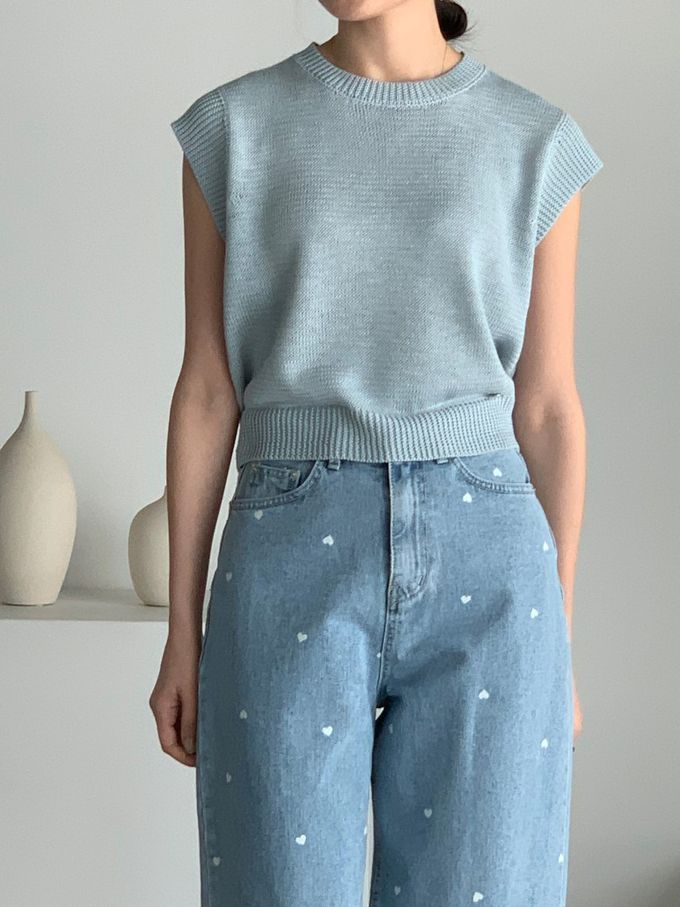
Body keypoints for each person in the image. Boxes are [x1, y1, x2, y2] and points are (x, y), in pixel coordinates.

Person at [149, 1, 604, 904]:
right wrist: (181, 634)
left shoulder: (535, 140)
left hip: (493, 567)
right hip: (287, 548)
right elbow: (207, 388)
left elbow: (549, 405)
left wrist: (558, 641)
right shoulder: (234, 130)